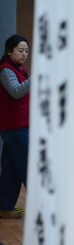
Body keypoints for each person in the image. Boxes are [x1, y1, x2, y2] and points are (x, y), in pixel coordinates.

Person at [0, 35, 30, 219]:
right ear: (9, 51)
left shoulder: (19, 68)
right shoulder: (5, 71)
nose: (24, 54)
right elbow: (16, 92)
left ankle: (4, 205)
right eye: (20, 50)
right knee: (28, 165)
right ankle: (41, 207)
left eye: (26, 50)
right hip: (14, 127)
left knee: (11, 168)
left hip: (16, 126)